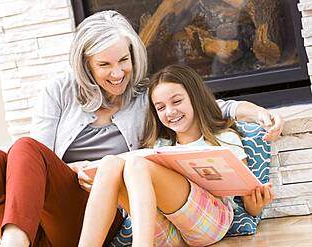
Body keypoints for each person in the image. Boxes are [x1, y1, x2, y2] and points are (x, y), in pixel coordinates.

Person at [0, 11, 281, 247]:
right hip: (42, 214)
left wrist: (256, 112)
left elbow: (200, 108)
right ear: (85, 65)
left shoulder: (143, 96)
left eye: (124, 61)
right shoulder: (60, 90)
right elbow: (34, 161)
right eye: (104, 65)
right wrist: (75, 170)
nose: (118, 73)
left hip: (95, 215)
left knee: (25, 149)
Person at [78, 64, 275, 247]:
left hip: (210, 223)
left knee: (137, 164)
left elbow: (251, 207)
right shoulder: (160, 145)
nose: (170, 112)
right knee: (110, 163)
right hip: (167, 231)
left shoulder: (223, 138)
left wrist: (257, 202)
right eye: (161, 107)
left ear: (195, 97)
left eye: (177, 101)